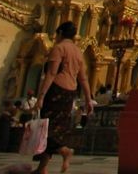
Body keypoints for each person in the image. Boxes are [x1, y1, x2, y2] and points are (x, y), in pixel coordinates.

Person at [33, 20, 92, 174]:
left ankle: (65, 151)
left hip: (56, 91)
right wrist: (88, 99)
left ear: (59, 33)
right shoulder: (78, 52)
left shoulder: (59, 48)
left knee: (47, 128)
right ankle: (42, 168)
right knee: (56, 128)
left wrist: (41, 96)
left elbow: (51, 73)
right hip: (70, 93)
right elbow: (83, 78)